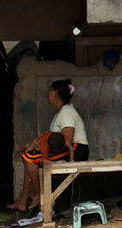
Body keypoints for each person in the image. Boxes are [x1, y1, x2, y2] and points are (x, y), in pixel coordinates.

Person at [7, 79, 89, 211]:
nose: (48, 93)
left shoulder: (66, 112)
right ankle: (23, 202)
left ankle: (39, 195)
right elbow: (52, 139)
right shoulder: (61, 112)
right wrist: (35, 145)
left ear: (56, 93)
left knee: (29, 159)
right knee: (30, 158)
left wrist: (43, 150)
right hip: (66, 149)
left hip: (75, 150)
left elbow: (66, 140)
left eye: (50, 90)